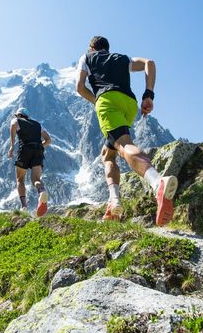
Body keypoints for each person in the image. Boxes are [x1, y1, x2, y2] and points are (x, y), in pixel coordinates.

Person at [76, 35, 178, 226]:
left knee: (124, 145)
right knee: (108, 154)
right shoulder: (122, 58)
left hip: (108, 101)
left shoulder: (87, 57)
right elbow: (149, 62)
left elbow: (80, 87)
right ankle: (114, 202)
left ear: (92, 48)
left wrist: (97, 100)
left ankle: (157, 183)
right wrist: (148, 94)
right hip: (129, 104)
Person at [8, 107, 52, 216]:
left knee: (20, 179)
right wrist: (39, 146)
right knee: (36, 179)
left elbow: (13, 125)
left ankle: (24, 207)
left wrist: (12, 146)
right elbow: (48, 140)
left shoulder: (16, 120)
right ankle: (41, 191)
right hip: (38, 151)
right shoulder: (37, 124)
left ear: (18, 115)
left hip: (25, 150)